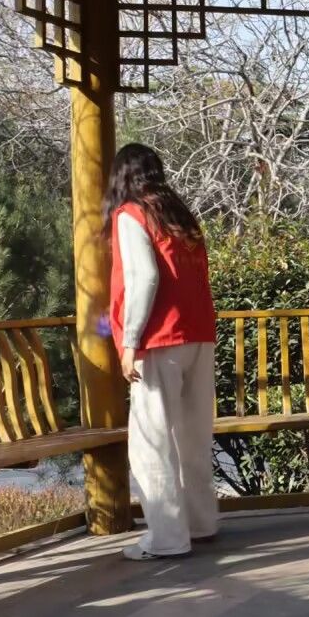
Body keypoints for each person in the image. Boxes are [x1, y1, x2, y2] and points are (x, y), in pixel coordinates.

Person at [105, 143, 218, 561]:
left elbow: (143, 279)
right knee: (192, 435)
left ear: (122, 176)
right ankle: (201, 523)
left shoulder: (131, 214)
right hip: (198, 333)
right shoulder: (180, 216)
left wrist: (129, 342)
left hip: (159, 338)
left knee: (151, 441)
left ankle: (168, 538)